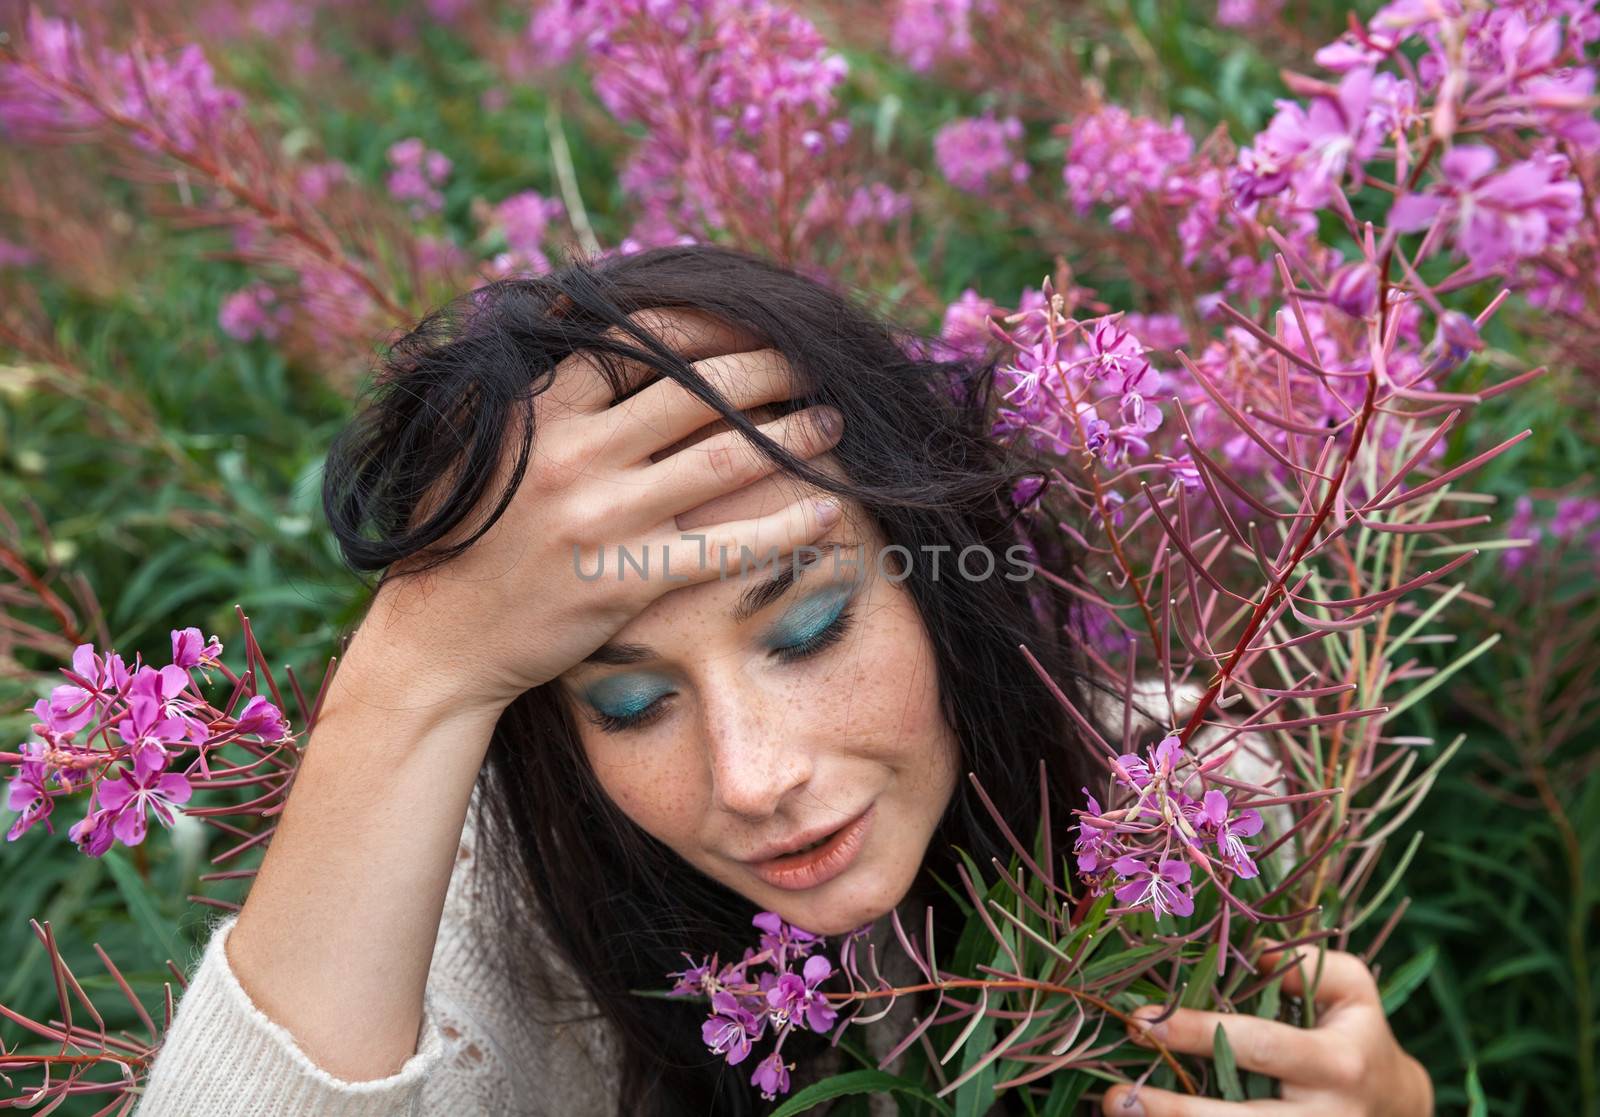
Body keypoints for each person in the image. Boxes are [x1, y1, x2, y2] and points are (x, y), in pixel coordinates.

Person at [133, 244, 1433, 1116]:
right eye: (627, 698)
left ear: (943, 570)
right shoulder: (496, 912)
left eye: (808, 627)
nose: (756, 777)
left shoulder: (1191, 803)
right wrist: (408, 672)